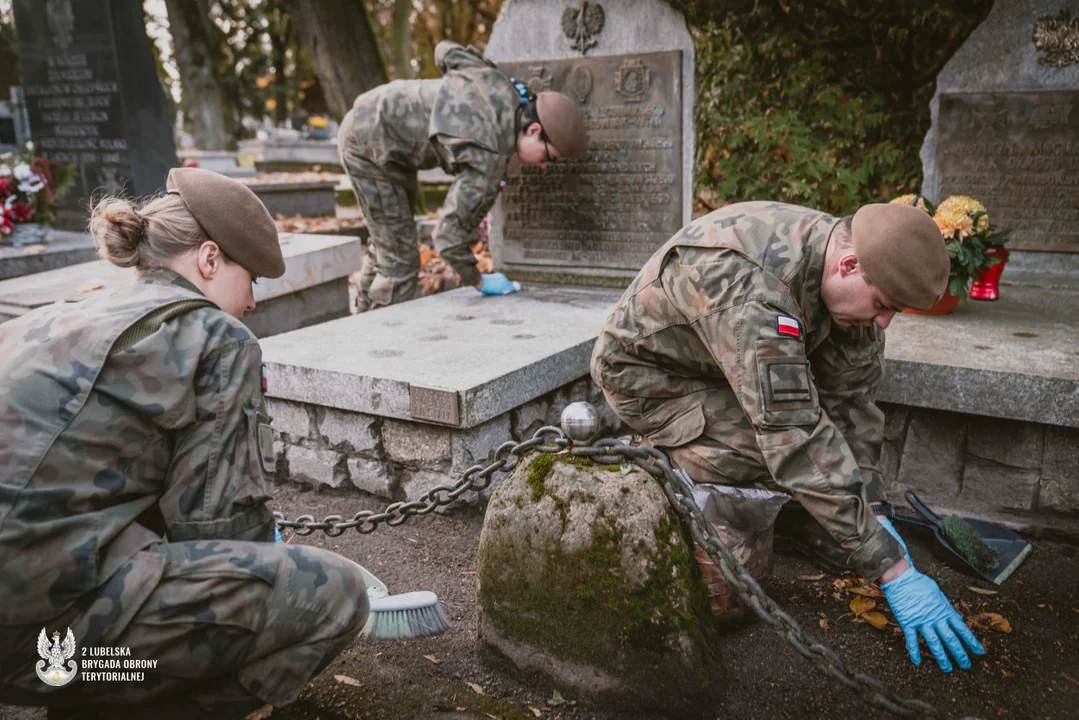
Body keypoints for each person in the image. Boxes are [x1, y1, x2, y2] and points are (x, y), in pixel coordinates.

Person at [0, 168, 369, 718]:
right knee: (334, 593)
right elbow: (222, 531)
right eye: (253, 282)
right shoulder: (216, 338)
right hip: (41, 648)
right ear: (210, 259)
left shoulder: (53, 317)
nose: (250, 304)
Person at [591, 200, 985, 673]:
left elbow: (852, 403)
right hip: (652, 376)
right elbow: (792, 436)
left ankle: (818, 517)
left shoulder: (849, 274)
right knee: (776, 453)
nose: (884, 323)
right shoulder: (754, 293)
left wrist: (876, 514)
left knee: (820, 448)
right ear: (849, 265)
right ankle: (686, 464)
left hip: (723, 362)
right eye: (882, 305)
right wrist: (893, 570)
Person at [339, 40, 587, 312]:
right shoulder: (488, 156)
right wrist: (478, 280)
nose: (545, 166)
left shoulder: (498, 83)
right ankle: (377, 340)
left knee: (389, 239)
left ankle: (359, 316)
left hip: (379, 129)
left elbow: (444, 51)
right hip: (367, 145)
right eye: (548, 157)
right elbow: (447, 236)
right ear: (533, 130)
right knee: (401, 261)